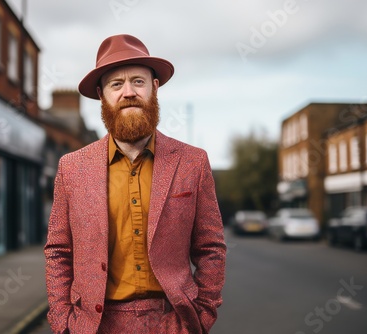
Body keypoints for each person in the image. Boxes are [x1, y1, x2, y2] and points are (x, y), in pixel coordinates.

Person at [45, 34, 227, 334]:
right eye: (116, 84)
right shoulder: (71, 168)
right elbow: (58, 250)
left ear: (154, 88)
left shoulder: (193, 162)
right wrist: (63, 321)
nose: (128, 92)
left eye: (138, 82)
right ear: (102, 95)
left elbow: (211, 247)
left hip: (172, 321)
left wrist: (203, 313)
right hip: (94, 325)